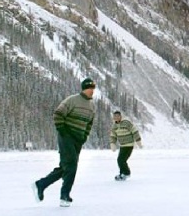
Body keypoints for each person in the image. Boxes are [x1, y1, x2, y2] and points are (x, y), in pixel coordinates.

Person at [32, 78, 97, 207]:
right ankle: (64, 196)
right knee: (72, 165)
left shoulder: (92, 106)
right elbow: (58, 114)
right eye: (89, 88)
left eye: (93, 88)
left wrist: (84, 137)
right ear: (84, 88)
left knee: (66, 167)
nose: (92, 91)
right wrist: (63, 131)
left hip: (78, 140)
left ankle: (41, 184)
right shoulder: (72, 100)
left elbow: (89, 123)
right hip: (66, 137)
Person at [109, 111, 143, 181]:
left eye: (118, 116)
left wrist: (138, 141)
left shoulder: (126, 123)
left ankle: (126, 173)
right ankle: (122, 173)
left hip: (129, 145)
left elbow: (135, 131)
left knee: (121, 160)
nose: (116, 117)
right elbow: (113, 136)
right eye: (115, 116)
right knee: (120, 160)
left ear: (121, 116)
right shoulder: (114, 126)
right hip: (122, 146)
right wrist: (113, 144)